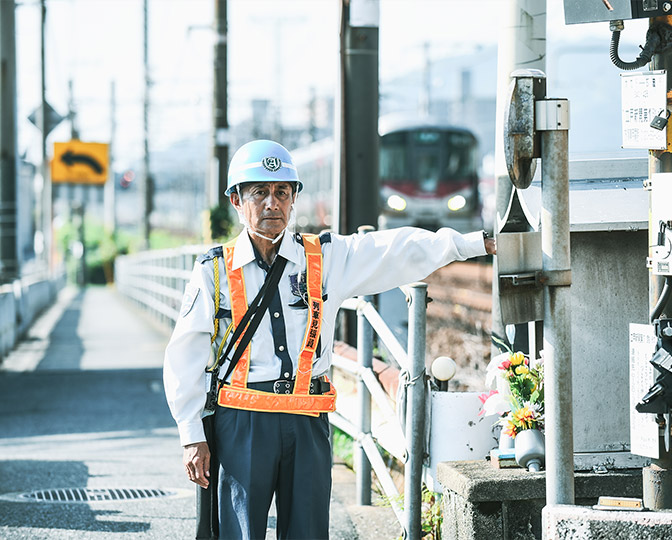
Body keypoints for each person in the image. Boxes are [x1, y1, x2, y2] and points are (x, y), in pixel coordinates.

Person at [163, 139, 496, 540]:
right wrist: (191, 435)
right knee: (240, 534)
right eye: (259, 193)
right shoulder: (212, 271)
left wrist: (471, 243)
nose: (272, 203)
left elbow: (395, 249)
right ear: (236, 200)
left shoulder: (324, 257)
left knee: (308, 532)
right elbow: (185, 354)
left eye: (282, 192)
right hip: (242, 422)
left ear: (294, 198)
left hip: (307, 420)